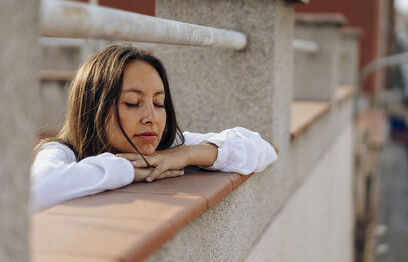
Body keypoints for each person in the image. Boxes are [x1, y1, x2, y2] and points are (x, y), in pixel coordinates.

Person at [31, 44, 277, 212]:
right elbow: (37, 189)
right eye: (133, 103)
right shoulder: (62, 151)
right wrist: (128, 169)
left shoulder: (166, 148)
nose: (152, 117)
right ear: (95, 107)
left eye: (159, 103)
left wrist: (187, 154)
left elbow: (263, 149)